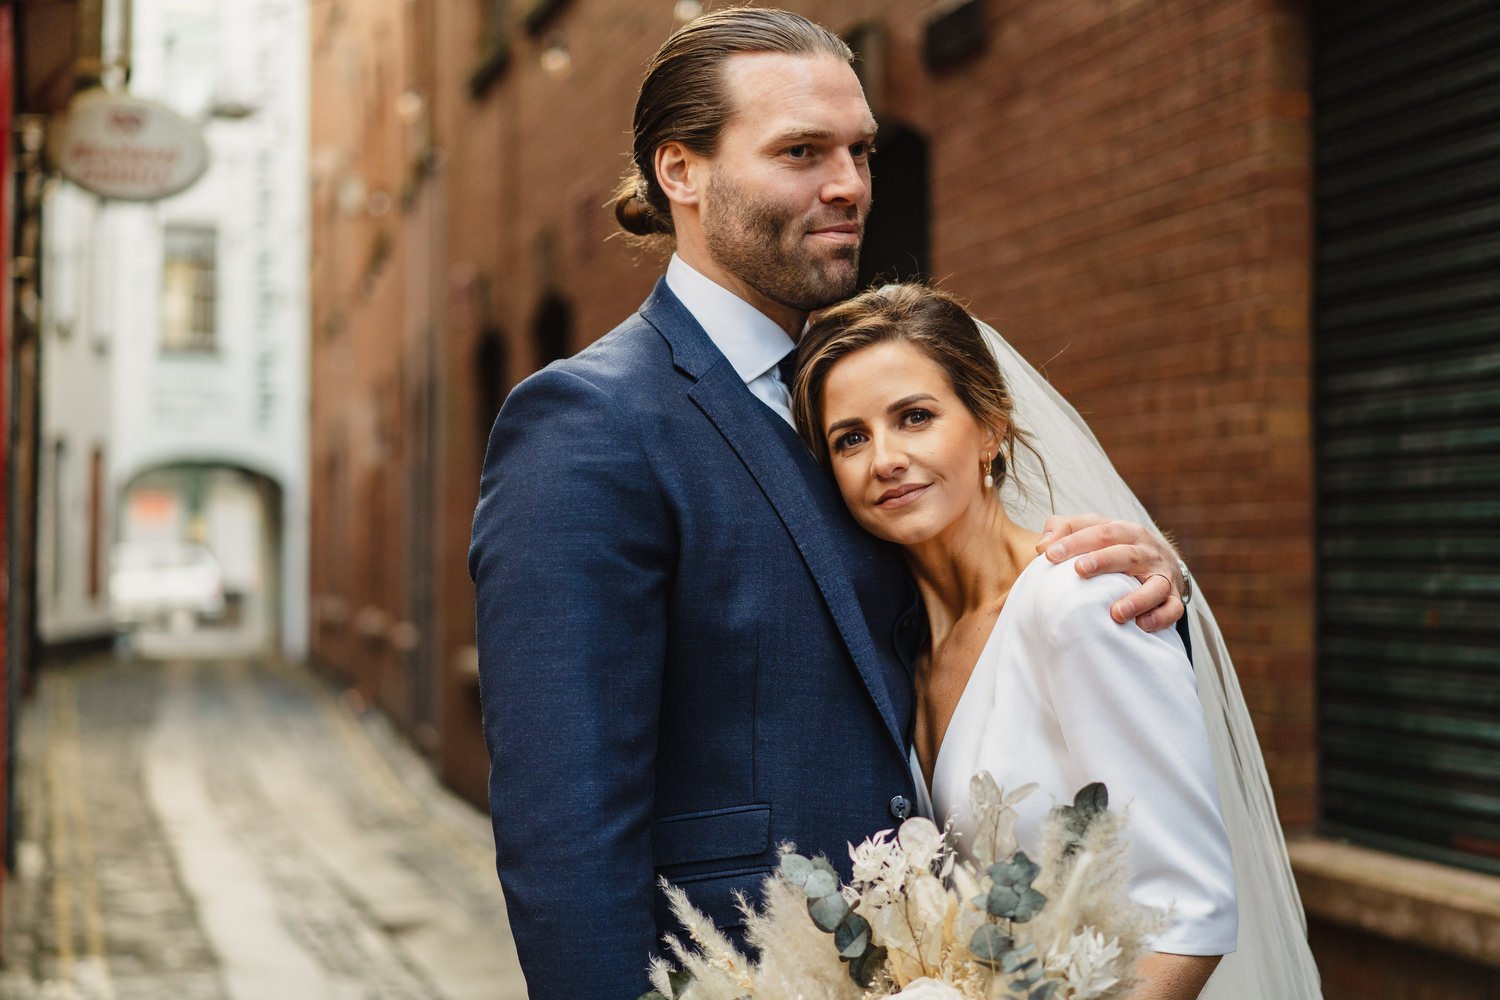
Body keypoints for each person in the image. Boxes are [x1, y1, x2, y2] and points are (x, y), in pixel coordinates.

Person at [468, 9, 1188, 997]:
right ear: (680, 170)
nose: (847, 185)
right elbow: (566, 828)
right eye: (801, 152)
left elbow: (977, 587)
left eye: (860, 150)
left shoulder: (863, 400)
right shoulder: (587, 424)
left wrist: (1127, 572)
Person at [792, 283, 1322, 1000]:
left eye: (914, 417)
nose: (884, 457)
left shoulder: (1083, 599)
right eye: (849, 438)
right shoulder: (903, 649)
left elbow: (1190, 912)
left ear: (990, 429)